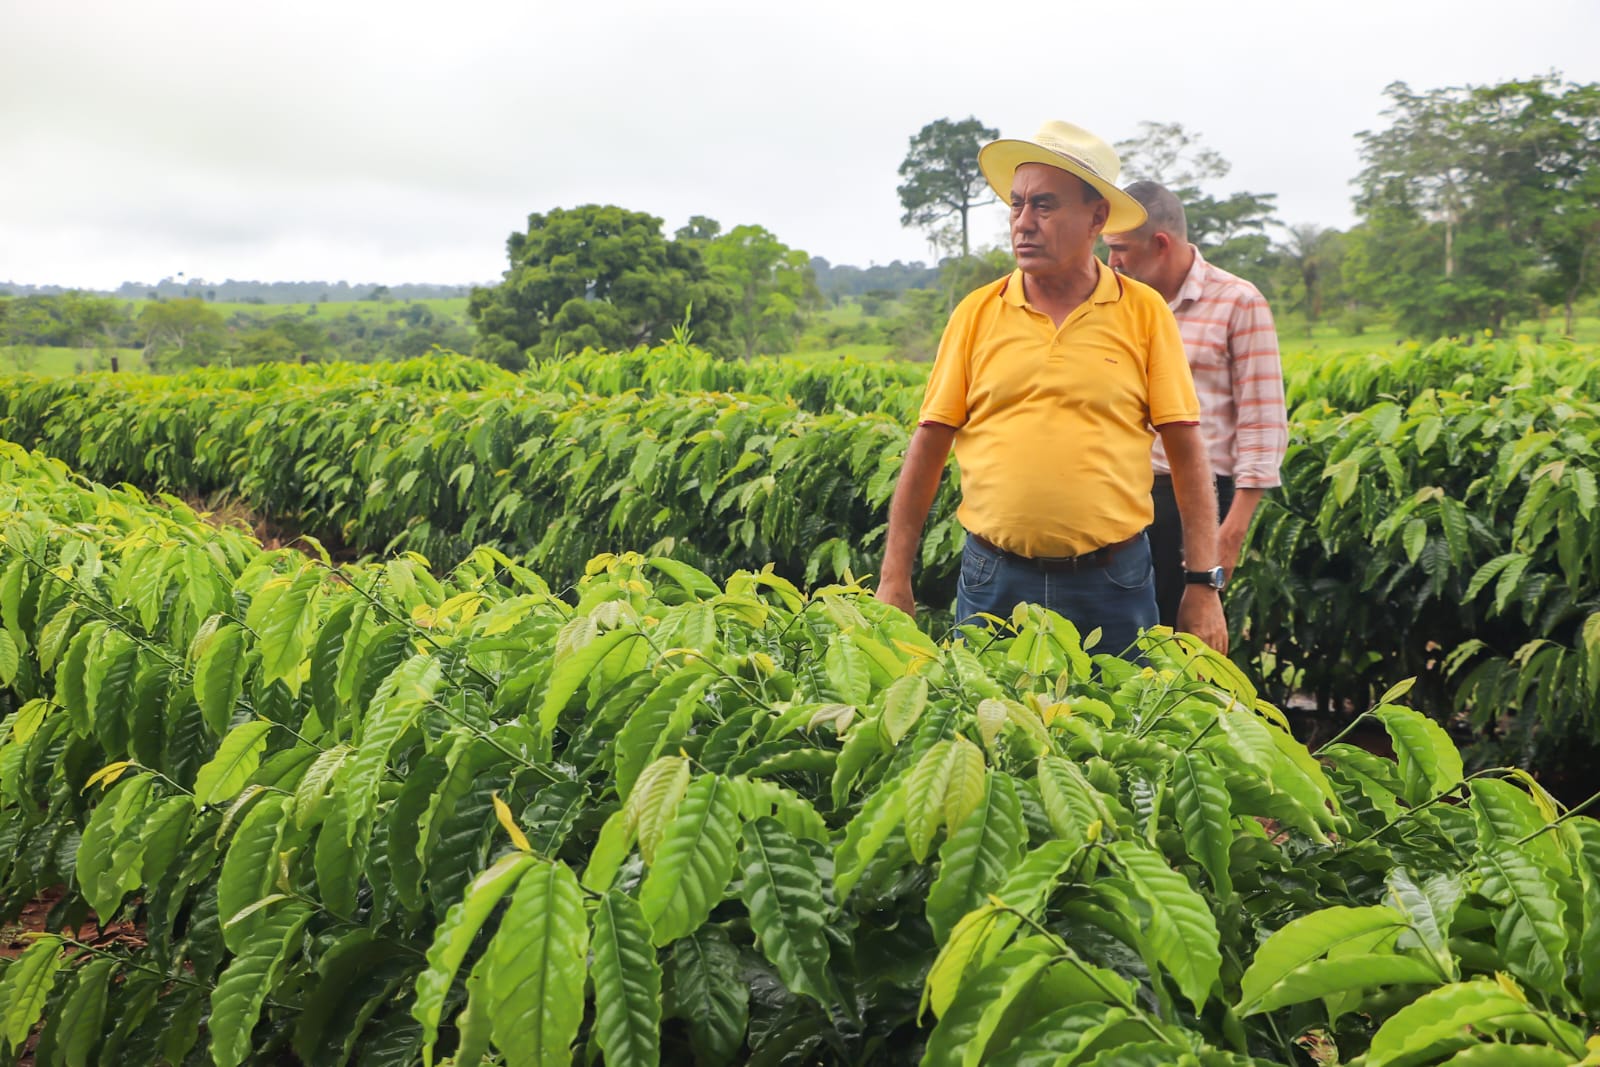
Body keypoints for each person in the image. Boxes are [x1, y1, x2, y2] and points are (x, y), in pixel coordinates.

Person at [876, 121, 1228, 656]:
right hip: (994, 579)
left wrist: (1203, 584)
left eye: (1044, 206)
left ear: (1096, 217)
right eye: (1016, 206)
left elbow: (1185, 450)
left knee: (1112, 735)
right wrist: (893, 576)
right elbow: (928, 444)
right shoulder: (977, 313)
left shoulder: (1143, 312)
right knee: (988, 733)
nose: (1023, 223)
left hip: (1112, 584)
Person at [1102, 182, 1288, 628]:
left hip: (1195, 498)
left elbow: (1262, 422)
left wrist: (1232, 528)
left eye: (1121, 249)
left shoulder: (1237, 301)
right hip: (1122, 493)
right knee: (1119, 637)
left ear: (1161, 244)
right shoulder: (1116, 305)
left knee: (1186, 639)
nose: (1112, 263)